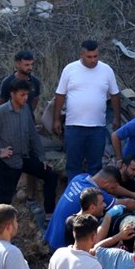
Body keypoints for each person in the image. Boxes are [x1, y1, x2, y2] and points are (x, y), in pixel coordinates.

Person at [0, 80, 60, 224]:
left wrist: (41, 156)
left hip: (26, 156)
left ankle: (49, 216)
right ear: (12, 94)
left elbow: (33, 134)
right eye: (22, 95)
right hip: (9, 161)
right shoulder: (0, 112)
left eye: (27, 94)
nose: (25, 98)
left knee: (50, 175)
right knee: (4, 201)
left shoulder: (26, 108)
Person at [51, 40, 121, 177]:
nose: (93, 60)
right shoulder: (70, 69)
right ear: (81, 54)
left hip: (97, 127)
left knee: (95, 166)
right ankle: (74, 196)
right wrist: (56, 119)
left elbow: (115, 94)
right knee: (73, 165)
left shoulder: (106, 70)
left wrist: (117, 118)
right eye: (89, 57)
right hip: (74, 126)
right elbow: (60, 95)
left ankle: (94, 196)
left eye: (96, 56)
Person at [44, 166, 135, 249]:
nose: (104, 205)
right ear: (106, 183)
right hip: (62, 245)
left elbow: (113, 188)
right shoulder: (97, 197)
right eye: (113, 186)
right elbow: (126, 203)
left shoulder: (80, 178)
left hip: (51, 234)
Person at [0, 49, 42, 121]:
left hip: (28, 121)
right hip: (11, 122)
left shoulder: (35, 82)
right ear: (18, 64)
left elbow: (35, 101)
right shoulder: (7, 82)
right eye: (26, 65)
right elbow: (0, 104)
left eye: (31, 64)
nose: (30, 68)